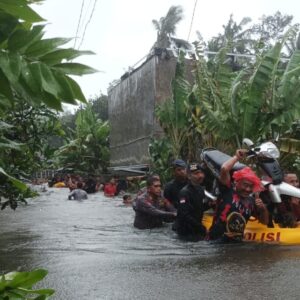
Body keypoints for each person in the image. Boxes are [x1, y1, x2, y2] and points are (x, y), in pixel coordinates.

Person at [208, 149, 269, 242]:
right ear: (237, 182)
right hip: (214, 242)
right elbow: (224, 169)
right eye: (245, 185)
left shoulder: (251, 201)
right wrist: (237, 157)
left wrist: (263, 209)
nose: (248, 189)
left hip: (236, 246)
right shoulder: (227, 190)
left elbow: (264, 222)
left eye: (251, 186)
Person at [174, 162, 210, 241]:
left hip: (195, 229)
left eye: (201, 172)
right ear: (189, 176)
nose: (200, 176)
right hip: (185, 232)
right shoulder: (184, 193)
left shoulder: (201, 189)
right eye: (196, 173)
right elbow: (185, 215)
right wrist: (202, 228)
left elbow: (199, 208)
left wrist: (210, 204)